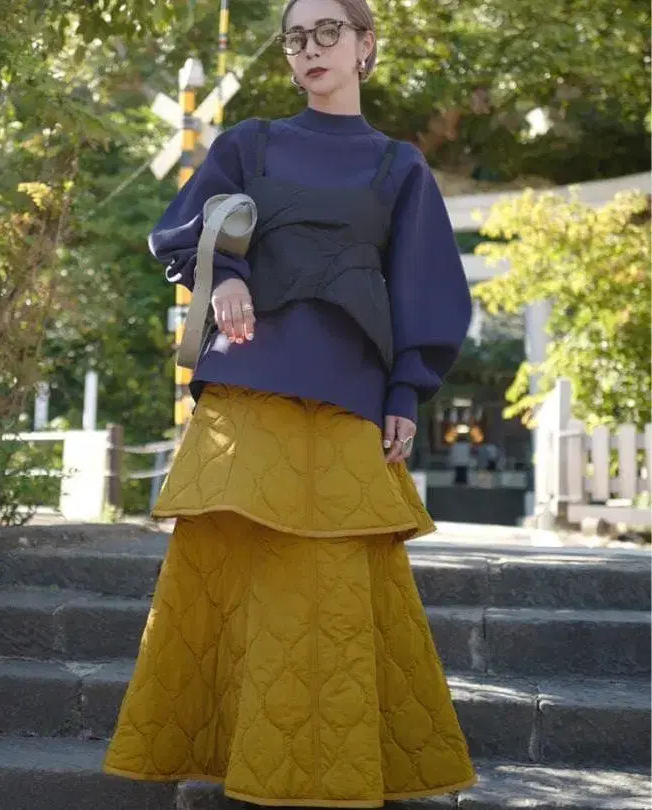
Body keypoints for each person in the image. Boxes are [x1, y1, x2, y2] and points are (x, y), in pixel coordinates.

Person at [103, 0, 478, 806]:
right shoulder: (250, 144)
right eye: (296, 37)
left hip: (348, 401)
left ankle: (329, 780)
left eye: (327, 32)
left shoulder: (399, 167)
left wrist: (406, 390)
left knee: (334, 599)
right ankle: (229, 763)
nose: (310, 48)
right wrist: (228, 277)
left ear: (365, 45)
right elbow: (184, 231)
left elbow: (425, 287)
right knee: (226, 582)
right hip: (248, 393)